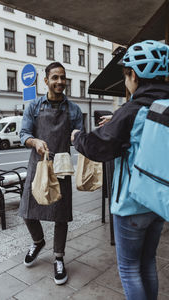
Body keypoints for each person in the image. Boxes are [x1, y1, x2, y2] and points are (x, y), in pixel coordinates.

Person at [71, 40, 169, 299]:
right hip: (159, 200)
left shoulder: (132, 109)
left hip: (131, 203)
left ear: (134, 75)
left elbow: (98, 147)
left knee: (129, 268)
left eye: (126, 76)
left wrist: (76, 136)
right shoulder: (162, 105)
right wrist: (117, 120)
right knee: (148, 262)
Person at [19, 62, 83, 285]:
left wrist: (77, 136)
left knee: (60, 215)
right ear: (46, 81)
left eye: (63, 78)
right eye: (55, 77)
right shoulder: (34, 106)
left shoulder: (73, 109)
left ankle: (58, 257)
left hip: (62, 167)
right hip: (38, 165)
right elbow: (23, 133)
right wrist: (34, 141)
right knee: (27, 210)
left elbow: (78, 134)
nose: (59, 82)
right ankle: (38, 241)